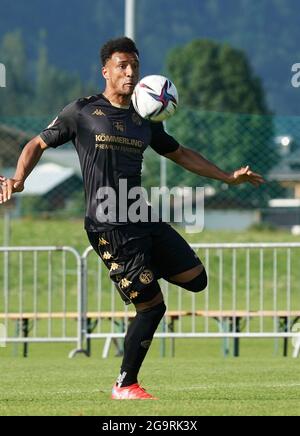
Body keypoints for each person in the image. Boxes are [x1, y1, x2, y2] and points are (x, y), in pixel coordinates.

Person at [0, 37, 264, 400]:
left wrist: (227, 177)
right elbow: (36, 144)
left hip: (141, 216)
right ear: (105, 70)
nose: (129, 72)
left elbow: (181, 154)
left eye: (134, 66)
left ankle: (139, 275)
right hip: (108, 224)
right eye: (122, 66)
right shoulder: (81, 111)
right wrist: (18, 179)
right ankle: (125, 385)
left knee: (197, 279)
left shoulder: (145, 117)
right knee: (152, 306)